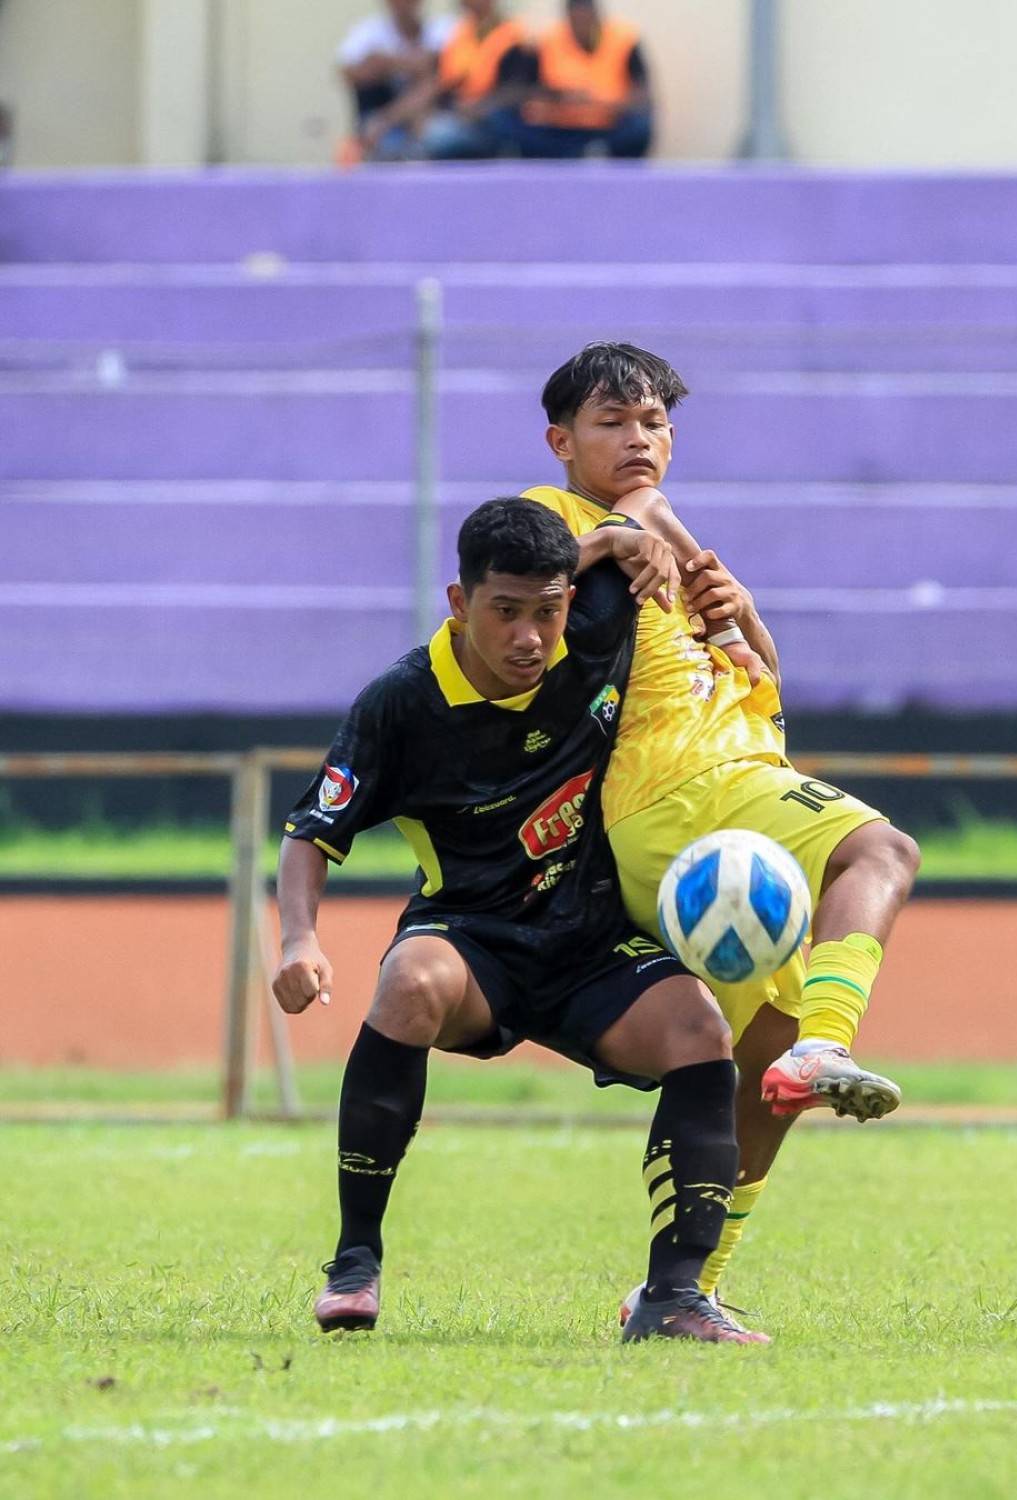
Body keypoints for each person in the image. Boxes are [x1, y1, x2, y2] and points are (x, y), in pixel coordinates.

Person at [273, 497, 766, 1346]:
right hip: (471, 939)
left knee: (699, 1028)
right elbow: (312, 833)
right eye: (505, 612)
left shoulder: (597, 627)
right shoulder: (402, 702)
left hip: (592, 942)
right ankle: (356, 1259)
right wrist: (297, 941)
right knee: (409, 982)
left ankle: (676, 1296)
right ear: (460, 604)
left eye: (548, 611)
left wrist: (621, 538)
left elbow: (643, 522)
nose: (531, 637)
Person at [523, 344, 921, 1332]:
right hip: (683, 795)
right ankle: (832, 1047)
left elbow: (756, 676)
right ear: (560, 441)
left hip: (744, 788)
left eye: (654, 423)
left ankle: (676, 1292)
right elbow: (510, 601)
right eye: (612, 423)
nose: (638, 439)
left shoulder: (677, 548)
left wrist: (744, 616)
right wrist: (605, 547)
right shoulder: (556, 518)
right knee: (883, 853)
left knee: (745, 1067)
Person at [510, 0, 653, 159]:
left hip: (610, 123)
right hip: (559, 126)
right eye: (576, 19)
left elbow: (643, 95)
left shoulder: (624, 39)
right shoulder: (547, 40)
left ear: (597, 15)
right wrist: (560, 96)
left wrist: (601, 102)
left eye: (586, 17)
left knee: (639, 126)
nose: (582, 24)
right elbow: (524, 90)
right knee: (515, 126)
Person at [336, 0, 455, 162]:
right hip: (381, 124)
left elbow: (437, 77)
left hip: (419, 121)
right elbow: (347, 73)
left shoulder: (441, 30)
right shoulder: (368, 31)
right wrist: (408, 64)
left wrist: (383, 63)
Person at [418, 0, 532, 160]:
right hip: (460, 115)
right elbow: (444, 82)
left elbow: (517, 89)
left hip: (495, 120)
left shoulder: (513, 37)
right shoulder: (460, 34)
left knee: (439, 135)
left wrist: (479, 107)